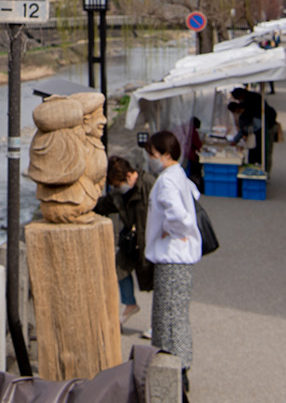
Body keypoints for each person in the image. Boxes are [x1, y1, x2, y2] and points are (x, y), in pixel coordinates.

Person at [145, 130, 201, 387]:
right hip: (182, 256)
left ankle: (174, 371)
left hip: (172, 256)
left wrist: (176, 230)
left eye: (153, 155)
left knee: (168, 316)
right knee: (177, 314)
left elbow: (179, 215)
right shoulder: (178, 174)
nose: (150, 159)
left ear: (166, 155)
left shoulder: (166, 180)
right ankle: (180, 366)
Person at [94, 153, 155, 332]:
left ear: (129, 176)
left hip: (149, 239)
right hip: (131, 241)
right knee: (119, 267)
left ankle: (155, 323)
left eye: (117, 185)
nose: (116, 188)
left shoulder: (148, 184)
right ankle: (130, 304)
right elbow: (103, 205)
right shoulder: (118, 195)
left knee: (156, 281)